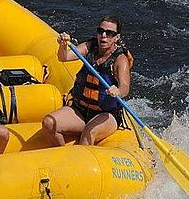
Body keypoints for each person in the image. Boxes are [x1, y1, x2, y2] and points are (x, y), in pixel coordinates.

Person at [41, 16, 132, 147]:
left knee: (88, 133)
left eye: (109, 33)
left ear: (117, 37)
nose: (103, 36)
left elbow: (125, 87)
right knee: (49, 123)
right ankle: (62, 156)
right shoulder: (89, 47)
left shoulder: (120, 59)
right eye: (100, 31)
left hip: (106, 114)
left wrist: (117, 90)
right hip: (81, 110)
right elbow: (64, 57)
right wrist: (63, 45)